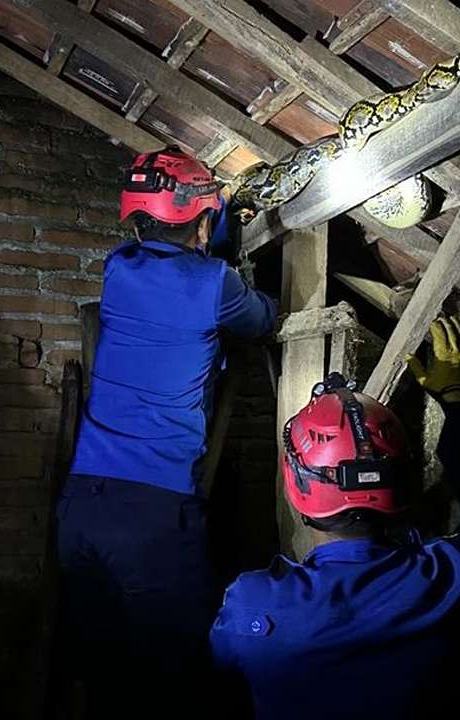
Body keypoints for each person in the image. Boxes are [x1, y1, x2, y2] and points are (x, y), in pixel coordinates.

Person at [56, 147, 277, 716]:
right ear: (203, 219)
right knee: (178, 685)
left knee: (106, 676)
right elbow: (260, 320)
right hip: (152, 517)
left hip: (82, 507)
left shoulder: (117, 268)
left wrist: (206, 227)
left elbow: (172, 268)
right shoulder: (215, 284)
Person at [210, 317, 460, 719]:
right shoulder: (451, 577)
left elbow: (223, 675)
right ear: (402, 481)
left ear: (298, 486)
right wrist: (457, 400)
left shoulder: (252, 602)